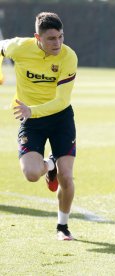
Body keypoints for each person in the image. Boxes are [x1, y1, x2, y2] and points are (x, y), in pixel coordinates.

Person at [0, 12, 78, 241]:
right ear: (37, 37)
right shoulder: (19, 47)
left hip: (60, 118)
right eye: (51, 38)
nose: (58, 43)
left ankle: (62, 227)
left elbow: (62, 101)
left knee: (67, 177)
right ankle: (50, 163)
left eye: (61, 37)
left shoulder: (68, 56)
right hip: (31, 121)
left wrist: (31, 110)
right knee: (32, 173)